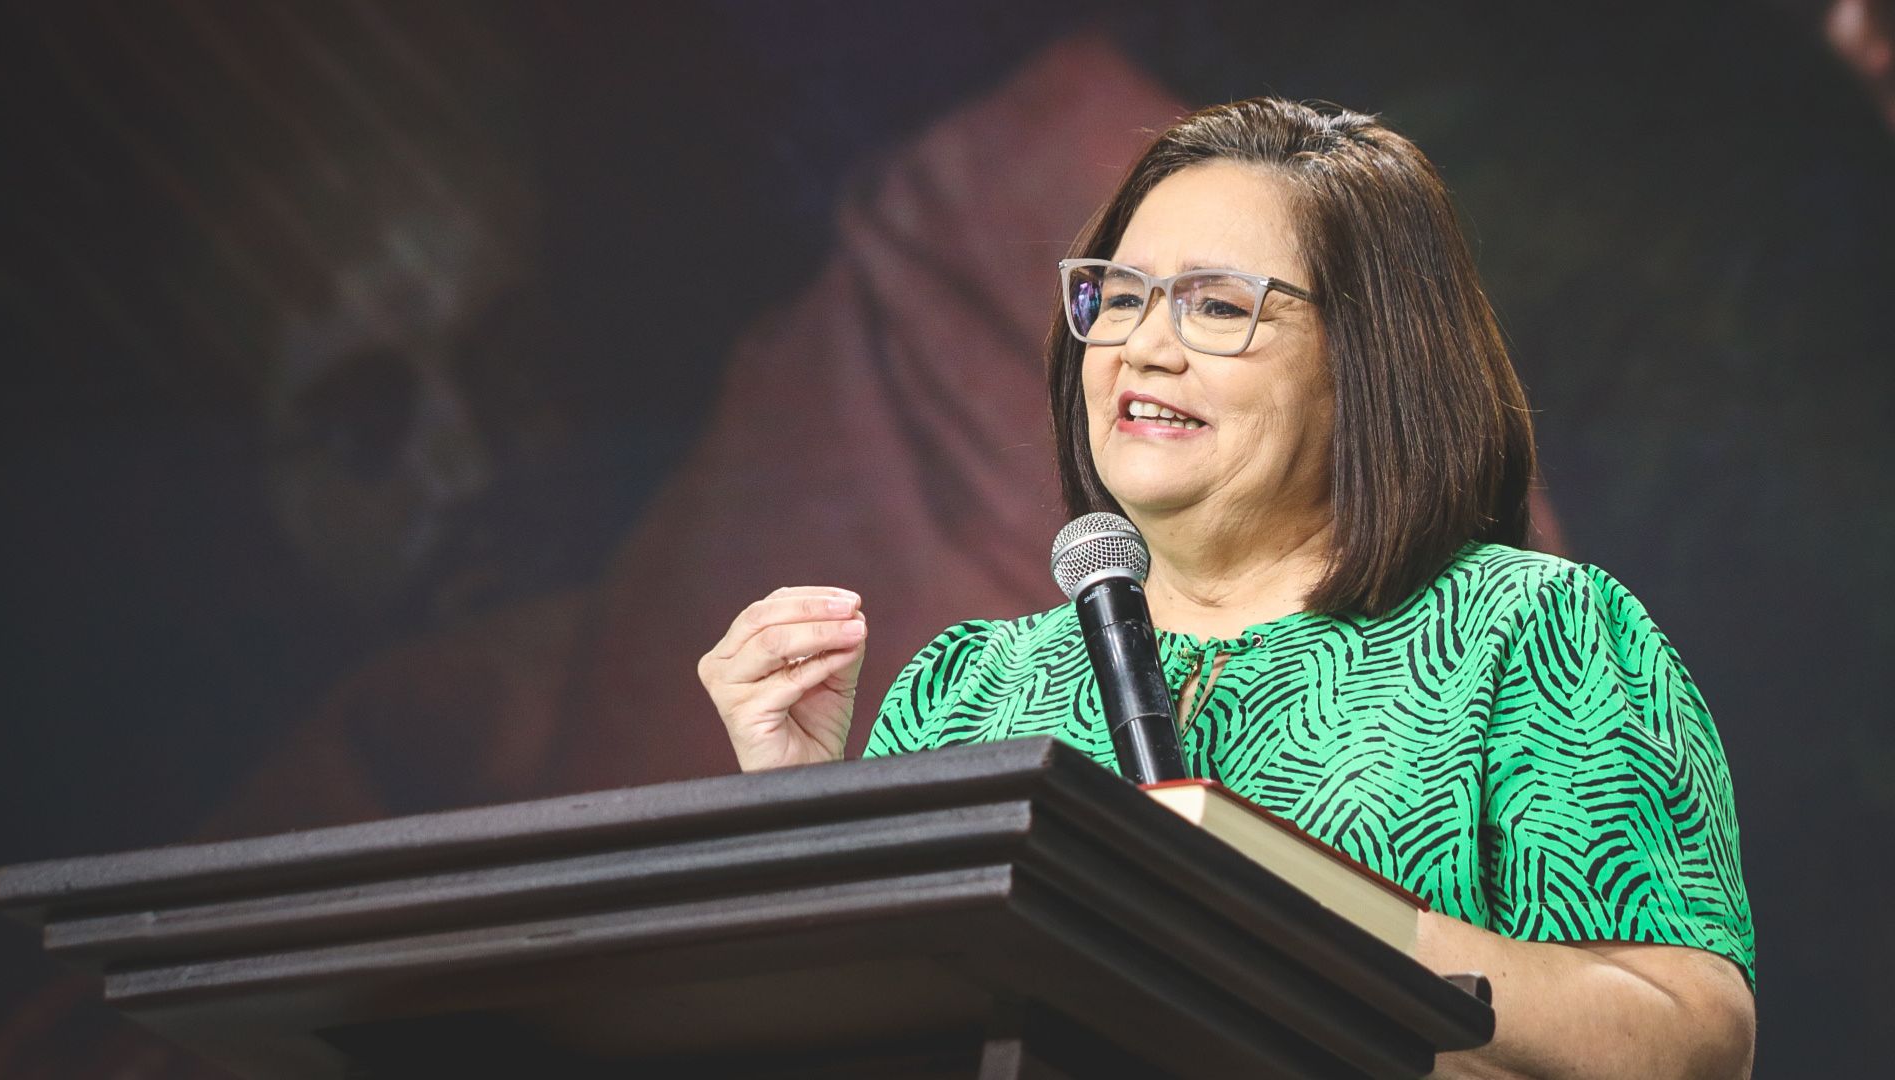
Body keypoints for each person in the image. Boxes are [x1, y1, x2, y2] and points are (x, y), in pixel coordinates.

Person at [701, 97, 1755, 1078]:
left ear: (1367, 357)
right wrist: (793, 821)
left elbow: (1687, 1039)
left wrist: (1281, 910)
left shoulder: (1528, 633)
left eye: (1215, 305)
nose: (1144, 347)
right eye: (1117, 296)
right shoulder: (968, 689)